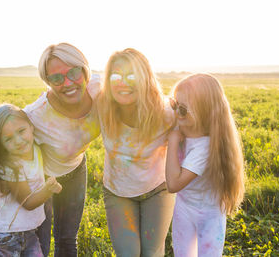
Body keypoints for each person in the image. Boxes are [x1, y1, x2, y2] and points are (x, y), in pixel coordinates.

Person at [23, 43, 101, 257]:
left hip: (75, 169)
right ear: (47, 82)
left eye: (74, 72)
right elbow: (3, 135)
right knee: (40, 243)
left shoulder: (100, 90)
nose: (68, 83)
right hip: (42, 178)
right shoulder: (35, 114)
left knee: (67, 239)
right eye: (56, 78)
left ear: (85, 70)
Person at [97, 48, 176, 257]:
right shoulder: (101, 105)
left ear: (145, 79)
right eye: (116, 76)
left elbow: (200, 131)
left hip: (157, 189)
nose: (123, 82)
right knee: (128, 254)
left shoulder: (166, 112)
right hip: (117, 192)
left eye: (131, 75)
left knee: (151, 253)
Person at [166, 73, 245, 256]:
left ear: (204, 112)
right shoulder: (184, 128)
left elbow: (173, 184)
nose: (176, 113)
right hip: (184, 207)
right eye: (174, 105)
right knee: (182, 253)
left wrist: (172, 142)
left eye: (183, 110)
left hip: (209, 214)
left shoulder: (204, 148)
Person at [0, 103, 62, 257]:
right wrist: (48, 190)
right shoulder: (10, 166)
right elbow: (28, 202)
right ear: (0, 143)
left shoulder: (36, 150)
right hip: (5, 236)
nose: (18, 140)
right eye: (8, 139)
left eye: (21, 131)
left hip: (28, 230)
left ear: (31, 126)